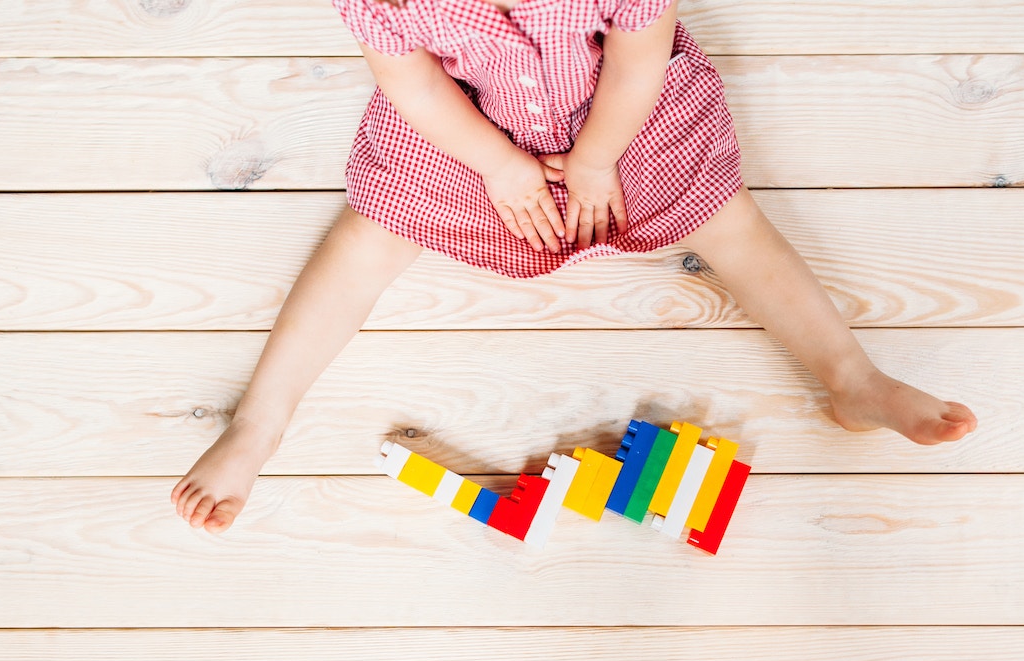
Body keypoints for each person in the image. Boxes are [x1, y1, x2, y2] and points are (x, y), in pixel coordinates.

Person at [171, 0, 977, 533]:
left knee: (727, 216)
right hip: (466, 117)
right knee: (370, 233)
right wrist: (499, 164)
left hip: (621, 109)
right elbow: (410, 80)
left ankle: (850, 378)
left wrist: (595, 160)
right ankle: (260, 421)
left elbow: (636, 63)